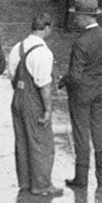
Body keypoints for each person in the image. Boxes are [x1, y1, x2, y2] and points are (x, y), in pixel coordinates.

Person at [60, 0, 102, 190]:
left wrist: (64, 81)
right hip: (101, 90)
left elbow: (75, 75)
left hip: (81, 94)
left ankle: (81, 178)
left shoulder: (80, 42)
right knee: (98, 131)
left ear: (85, 17)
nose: (74, 20)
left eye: (76, 16)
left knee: (81, 134)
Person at [7, 13, 59, 198]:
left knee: (22, 142)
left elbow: (12, 75)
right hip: (33, 101)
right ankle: (41, 185)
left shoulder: (17, 48)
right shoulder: (43, 52)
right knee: (41, 143)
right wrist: (47, 109)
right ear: (46, 28)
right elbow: (44, 85)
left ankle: (26, 182)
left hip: (18, 99)